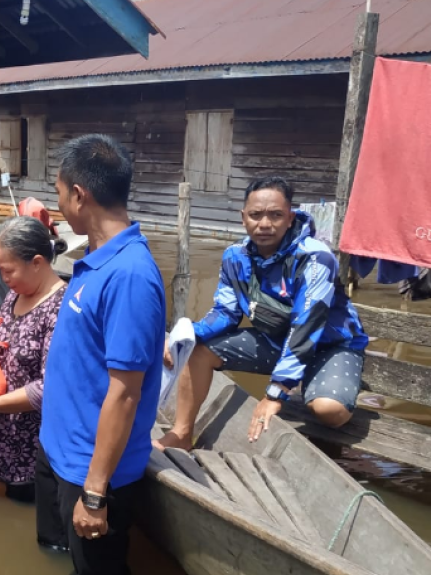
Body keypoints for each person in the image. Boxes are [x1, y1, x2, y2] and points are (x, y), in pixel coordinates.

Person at [155, 176, 368, 450]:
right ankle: (182, 433)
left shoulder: (315, 258)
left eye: (275, 215)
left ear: (290, 218)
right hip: (277, 339)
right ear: (243, 217)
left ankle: (328, 379)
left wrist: (275, 393)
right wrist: (184, 337)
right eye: (256, 215)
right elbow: (226, 312)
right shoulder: (235, 256)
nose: (264, 224)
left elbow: (305, 327)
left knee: (329, 411)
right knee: (199, 350)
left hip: (331, 345)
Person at [36, 134, 165, 575]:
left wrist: (94, 493)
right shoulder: (95, 256)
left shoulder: (130, 275)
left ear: (78, 194)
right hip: (57, 450)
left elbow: (126, 393)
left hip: (92, 472)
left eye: (57, 192)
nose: (57, 206)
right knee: (53, 562)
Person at [0, 217, 66, 503]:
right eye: (0, 270)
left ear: (37, 262)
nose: (4, 278)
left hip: (30, 451)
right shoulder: (13, 296)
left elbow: (50, 388)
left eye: (8, 271)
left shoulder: (60, 310)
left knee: (24, 512)